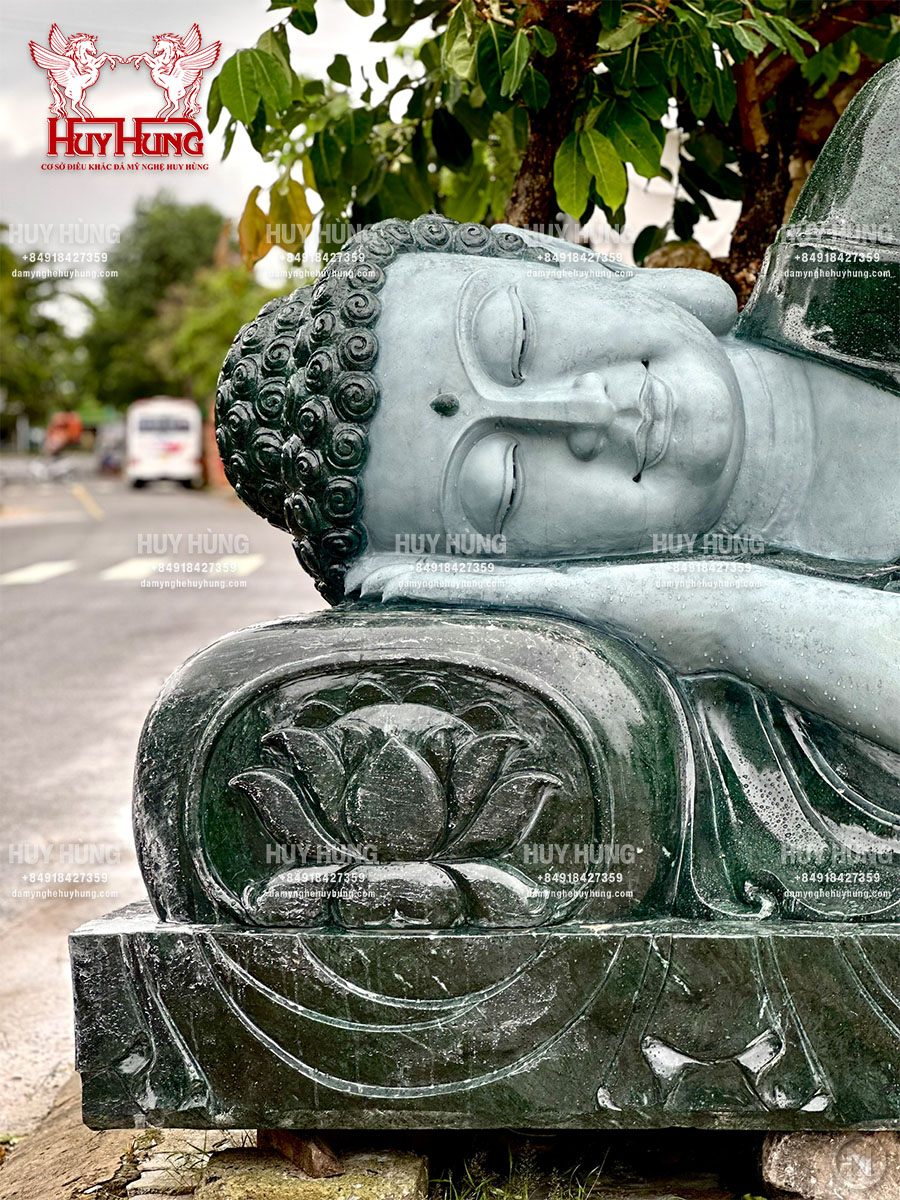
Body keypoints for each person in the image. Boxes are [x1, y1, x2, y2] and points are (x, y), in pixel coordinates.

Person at [216, 62, 899, 921]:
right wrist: (728, 613)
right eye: (502, 486)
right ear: (521, 577)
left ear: (575, 264)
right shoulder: (775, 765)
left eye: (515, 339)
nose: (584, 413)